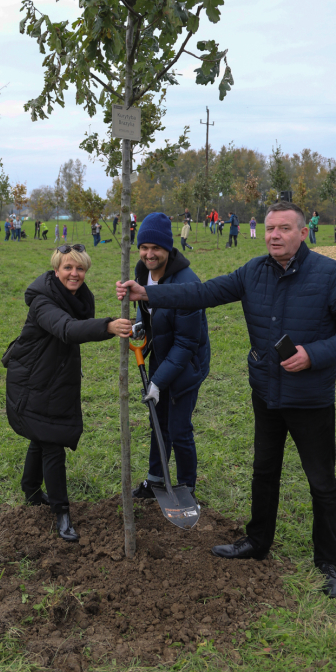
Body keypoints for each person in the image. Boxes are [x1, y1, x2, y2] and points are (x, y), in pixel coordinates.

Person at [116, 202, 336, 599]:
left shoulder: (331, 275)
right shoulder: (253, 272)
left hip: (310, 399)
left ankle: (326, 561)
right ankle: (257, 541)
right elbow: (203, 292)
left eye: (284, 228)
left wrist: (313, 354)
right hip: (266, 393)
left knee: (320, 482)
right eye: (270, 228)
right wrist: (147, 292)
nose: (274, 235)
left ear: (303, 233)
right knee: (263, 472)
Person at [3, 244, 132, 542]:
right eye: (68, 268)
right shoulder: (43, 302)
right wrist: (109, 326)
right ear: (56, 270)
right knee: (52, 442)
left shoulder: (76, 298)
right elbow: (67, 329)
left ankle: (32, 491)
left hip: (54, 377)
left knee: (43, 434)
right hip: (33, 380)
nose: (74, 274)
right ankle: (61, 512)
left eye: (80, 268)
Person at [128, 213, 210, 499]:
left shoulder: (187, 284)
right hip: (161, 356)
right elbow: (147, 308)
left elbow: (187, 343)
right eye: (144, 247)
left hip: (187, 364)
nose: (149, 254)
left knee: (178, 429)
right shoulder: (142, 271)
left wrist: (158, 382)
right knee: (157, 422)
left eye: (156, 248)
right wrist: (140, 326)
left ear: (168, 249)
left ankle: (187, 488)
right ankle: (155, 480)